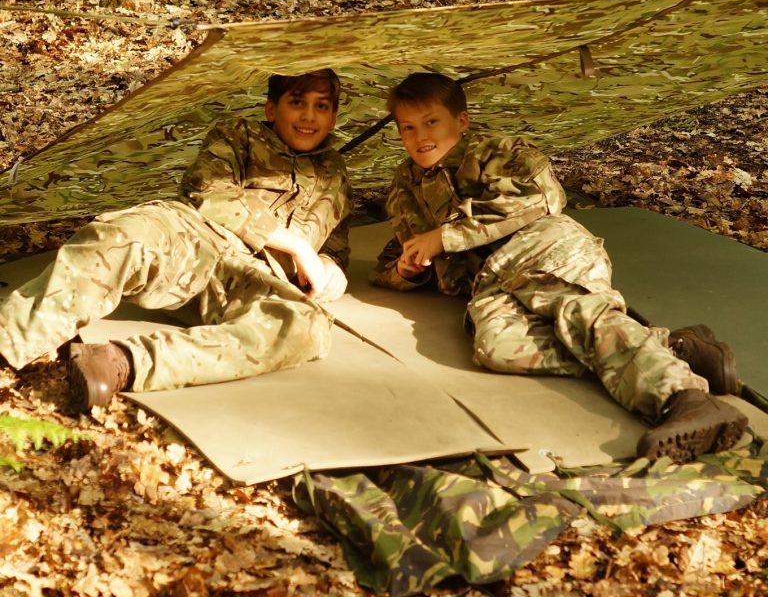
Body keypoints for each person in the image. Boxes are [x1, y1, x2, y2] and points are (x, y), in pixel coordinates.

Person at [371, 72, 748, 463]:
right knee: (497, 347)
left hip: (542, 246)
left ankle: (684, 399)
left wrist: (447, 237)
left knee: (580, 313)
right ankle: (670, 346)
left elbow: (544, 195)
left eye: (431, 122)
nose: (420, 136)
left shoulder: (495, 152)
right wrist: (406, 270)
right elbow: (399, 253)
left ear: (461, 121)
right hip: (491, 281)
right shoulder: (405, 185)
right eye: (407, 128)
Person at [0, 69, 352, 413]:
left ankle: (119, 364)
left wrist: (329, 266)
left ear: (334, 116)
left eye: (322, 106)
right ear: (272, 109)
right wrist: (295, 244)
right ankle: (8, 339)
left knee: (305, 328)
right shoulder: (237, 135)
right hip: (196, 237)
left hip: (252, 278)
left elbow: (335, 246)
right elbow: (208, 191)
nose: (309, 116)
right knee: (121, 237)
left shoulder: (336, 175)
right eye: (297, 102)